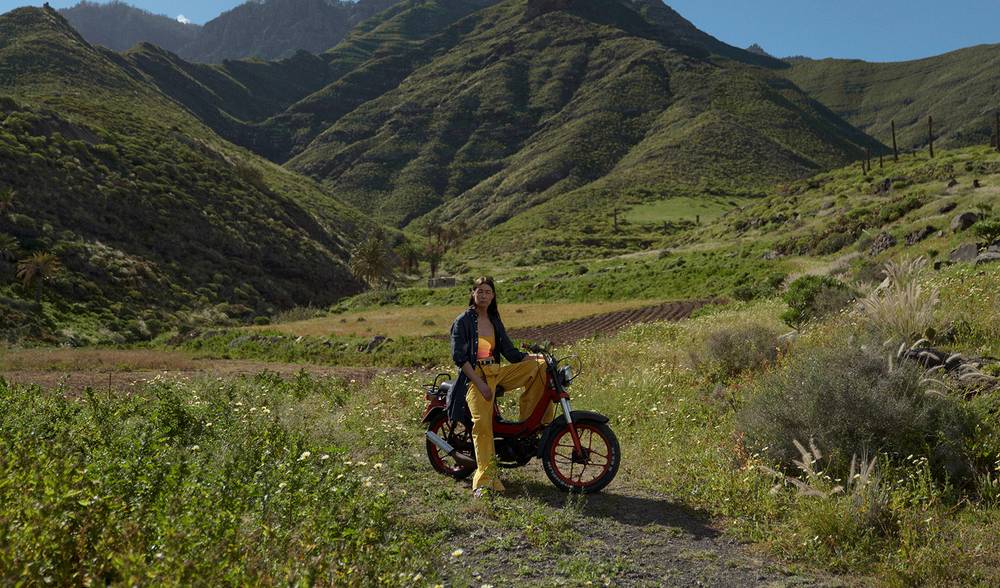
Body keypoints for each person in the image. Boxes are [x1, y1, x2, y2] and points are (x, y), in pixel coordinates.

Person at [448, 276, 554, 497]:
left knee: (541, 366)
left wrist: (531, 356)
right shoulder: (463, 321)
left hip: (497, 371)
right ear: (473, 293)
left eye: (488, 291)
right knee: (483, 425)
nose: (484, 295)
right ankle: (484, 480)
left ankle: (531, 425)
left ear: (493, 295)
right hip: (474, 377)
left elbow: (510, 352)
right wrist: (481, 385)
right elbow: (460, 359)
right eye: (480, 291)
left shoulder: (494, 319)